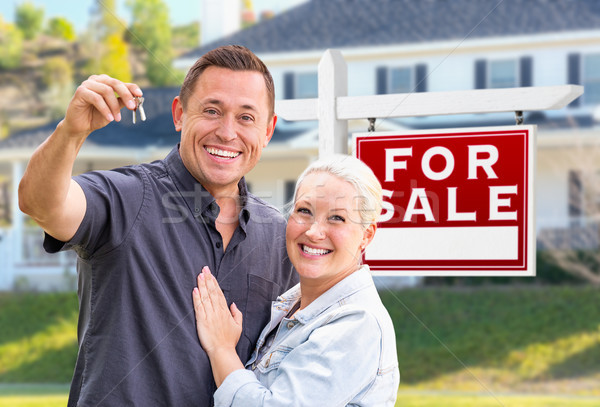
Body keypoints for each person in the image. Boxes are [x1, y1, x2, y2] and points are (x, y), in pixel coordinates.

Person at [18, 45, 297, 406]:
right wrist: (71, 133)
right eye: (212, 111)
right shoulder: (126, 198)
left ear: (268, 130)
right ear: (180, 114)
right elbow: (40, 203)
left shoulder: (279, 236)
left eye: (246, 117)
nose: (228, 133)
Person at [193, 154, 400, 406]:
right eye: (304, 211)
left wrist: (222, 349)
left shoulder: (357, 323)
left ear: (366, 235)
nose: (313, 232)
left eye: (337, 218)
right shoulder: (290, 306)